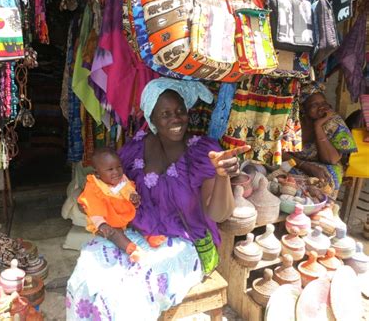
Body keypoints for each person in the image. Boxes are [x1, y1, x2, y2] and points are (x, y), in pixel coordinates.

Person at [66, 78, 250, 320]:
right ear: (151, 119)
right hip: (138, 236)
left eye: (180, 111)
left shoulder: (202, 152)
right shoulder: (134, 151)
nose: (176, 119)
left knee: (129, 293)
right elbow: (111, 188)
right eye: (165, 114)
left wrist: (222, 175)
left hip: (188, 244)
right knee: (88, 272)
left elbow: (218, 215)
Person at [78, 147, 165, 263]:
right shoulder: (94, 186)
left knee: (139, 217)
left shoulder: (122, 179)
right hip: (106, 221)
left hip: (122, 214)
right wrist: (101, 224)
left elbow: (128, 190)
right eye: (110, 169)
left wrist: (133, 197)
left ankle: (149, 235)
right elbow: (93, 207)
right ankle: (132, 250)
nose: (116, 172)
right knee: (114, 234)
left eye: (119, 167)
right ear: (97, 173)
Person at [283, 83, 357, 196]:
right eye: (315, 104)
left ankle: (318, 209)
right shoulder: (291, 121)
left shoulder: (334, 122)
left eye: (323, 103)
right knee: (278, 178)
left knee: (323, 182)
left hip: (324, 166)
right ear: (303, 108)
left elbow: (331, 159)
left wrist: (318, 127)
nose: (321, 107)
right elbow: (278, 150)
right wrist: (305, 165)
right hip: (293, 163)